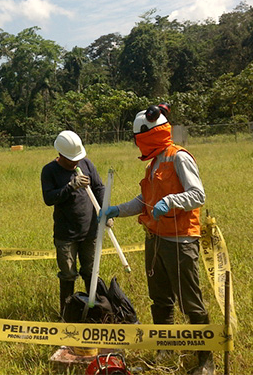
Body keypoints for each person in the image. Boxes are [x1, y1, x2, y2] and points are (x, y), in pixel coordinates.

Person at [100, 105, 214, 375]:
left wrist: (171, 201)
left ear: (149, 134)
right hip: (154, 239)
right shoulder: (155, 162)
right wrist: (118, 209)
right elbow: (145, 201)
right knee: (160, 300)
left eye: (139, 138)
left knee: (190, 302)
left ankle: (206, 360)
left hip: (180, 242)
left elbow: (198, 195)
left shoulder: (178, 158)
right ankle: (164, 350)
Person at [41, 130, 105, 317]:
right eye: (71, 159)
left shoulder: (86, 164)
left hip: (90, 230)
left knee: (91, 272)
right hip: (66, 234)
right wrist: (70, 187)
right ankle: (67, 314)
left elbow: (99, 188)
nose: (76, 162)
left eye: (77, 158)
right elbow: (49, 198)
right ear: (61, 154)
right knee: (68, 274)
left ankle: (96, 311)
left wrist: (105, 212)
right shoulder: (49, 170)